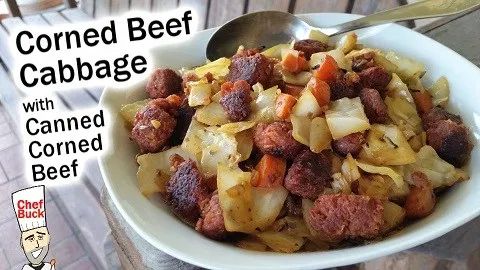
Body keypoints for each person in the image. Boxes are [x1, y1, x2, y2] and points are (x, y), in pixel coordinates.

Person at [12, 186, 56, 270]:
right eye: (30, 239)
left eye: (40, 237)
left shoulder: (48, 267)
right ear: (22, 243)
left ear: (48, 238)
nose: (36, 245)